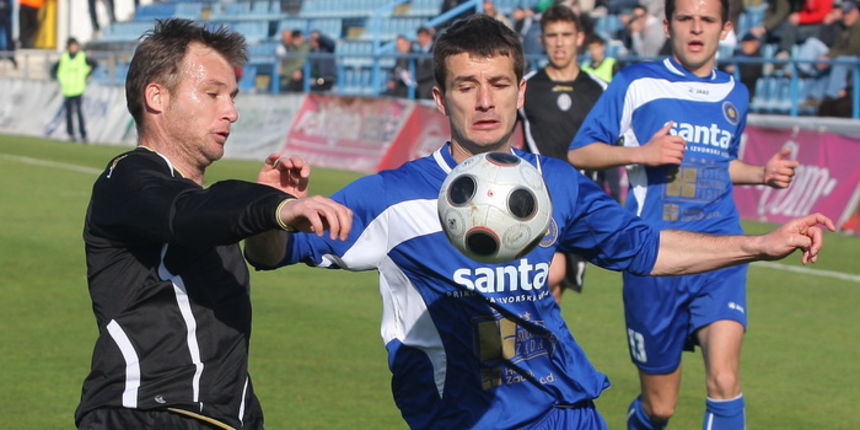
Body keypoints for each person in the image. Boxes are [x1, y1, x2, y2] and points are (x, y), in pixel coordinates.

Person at [245, 14, 832, 430]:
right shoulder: (394, 196)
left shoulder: (556, 182)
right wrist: (272, 212)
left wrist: (760, 243)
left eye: (498, 84)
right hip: (467, 418)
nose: (483, 101)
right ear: (438, 96)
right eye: (466, 86)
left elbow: (644, 248)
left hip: (568, 409)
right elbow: (271, 254)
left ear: (519, 91)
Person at [74, 19, 352, 430]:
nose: (232, 112)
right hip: (147, 412)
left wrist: (268, 215)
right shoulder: (128, 177)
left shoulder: (205, 206)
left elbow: (262, 255)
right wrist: (270, 206)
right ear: (157, 97)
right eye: (213, 94)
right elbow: (183, 216)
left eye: (233, 96)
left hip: (223, 417)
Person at [568, 0, 803, 427]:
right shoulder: (636, 82)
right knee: (661, 407)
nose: (697, 29)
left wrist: (762, 173)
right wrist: (643, 153)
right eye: (686, 19)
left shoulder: (736, 92)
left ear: (726, 28)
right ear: (668, 25)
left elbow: (716, 164)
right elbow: (581, 150)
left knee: (725, 379)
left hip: (721, 251)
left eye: (707, 20)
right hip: (655, 257)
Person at [519, 5, 607, 302]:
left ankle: (537, 347)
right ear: (542, 39)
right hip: (537, 204)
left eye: (566, 35)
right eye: (552, 35)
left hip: (582, 207)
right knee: (547, 279)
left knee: (554, 293)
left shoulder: (601, 91)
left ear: (580, 38)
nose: (559, 42)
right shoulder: (524, 88)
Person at [50, 37, 98, 143]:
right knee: (68, 113)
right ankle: (70, 133)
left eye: (75, 46)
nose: (74, 48)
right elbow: (53, 69)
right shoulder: (64, 58)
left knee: (79, 113)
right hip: (67, 90)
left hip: (78, 89)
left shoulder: (82, 57)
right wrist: (57, 79)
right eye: (72, 46)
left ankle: (83, 134)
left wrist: (88, 74)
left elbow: (94, 64)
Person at [415, 26, 436, 99]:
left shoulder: (435, 49)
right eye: (419, 36)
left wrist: (417, 78)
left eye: (422, 36)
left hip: (430, 86)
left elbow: (433, 70)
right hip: (422, 86)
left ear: (429, 36)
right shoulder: (419, 52)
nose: (420, 39)